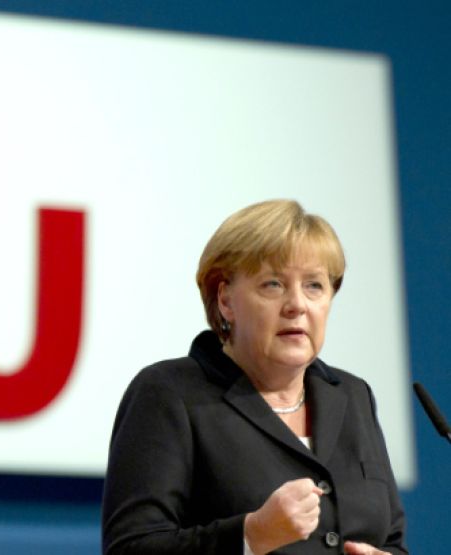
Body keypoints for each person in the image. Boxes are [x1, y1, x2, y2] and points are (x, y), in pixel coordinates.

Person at [101, 200, 408, 554]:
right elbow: (130, 548)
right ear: (225, 300)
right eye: (273, 285)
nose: (297, 304)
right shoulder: (169, 394)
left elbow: (392, 541)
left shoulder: (353, 395)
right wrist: (251, 536)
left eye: (314, 286)